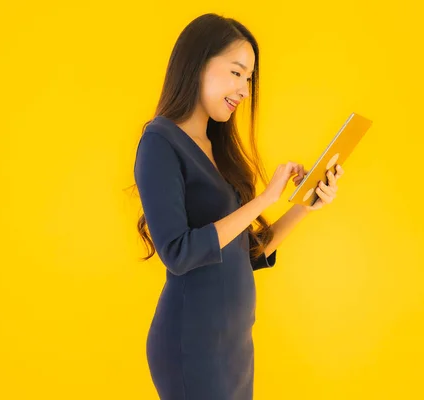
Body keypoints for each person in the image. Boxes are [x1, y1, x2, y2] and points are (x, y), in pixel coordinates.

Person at [133, 13, 344, 400]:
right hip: (192, 345)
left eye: (249, 79)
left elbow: (246, 252)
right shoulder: (159, 141)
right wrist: (264, 199)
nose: (245, 89)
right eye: (236, 72)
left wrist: (304, 205)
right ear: (197, 63)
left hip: (233, 347)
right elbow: (178, 253)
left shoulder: (217, 148)